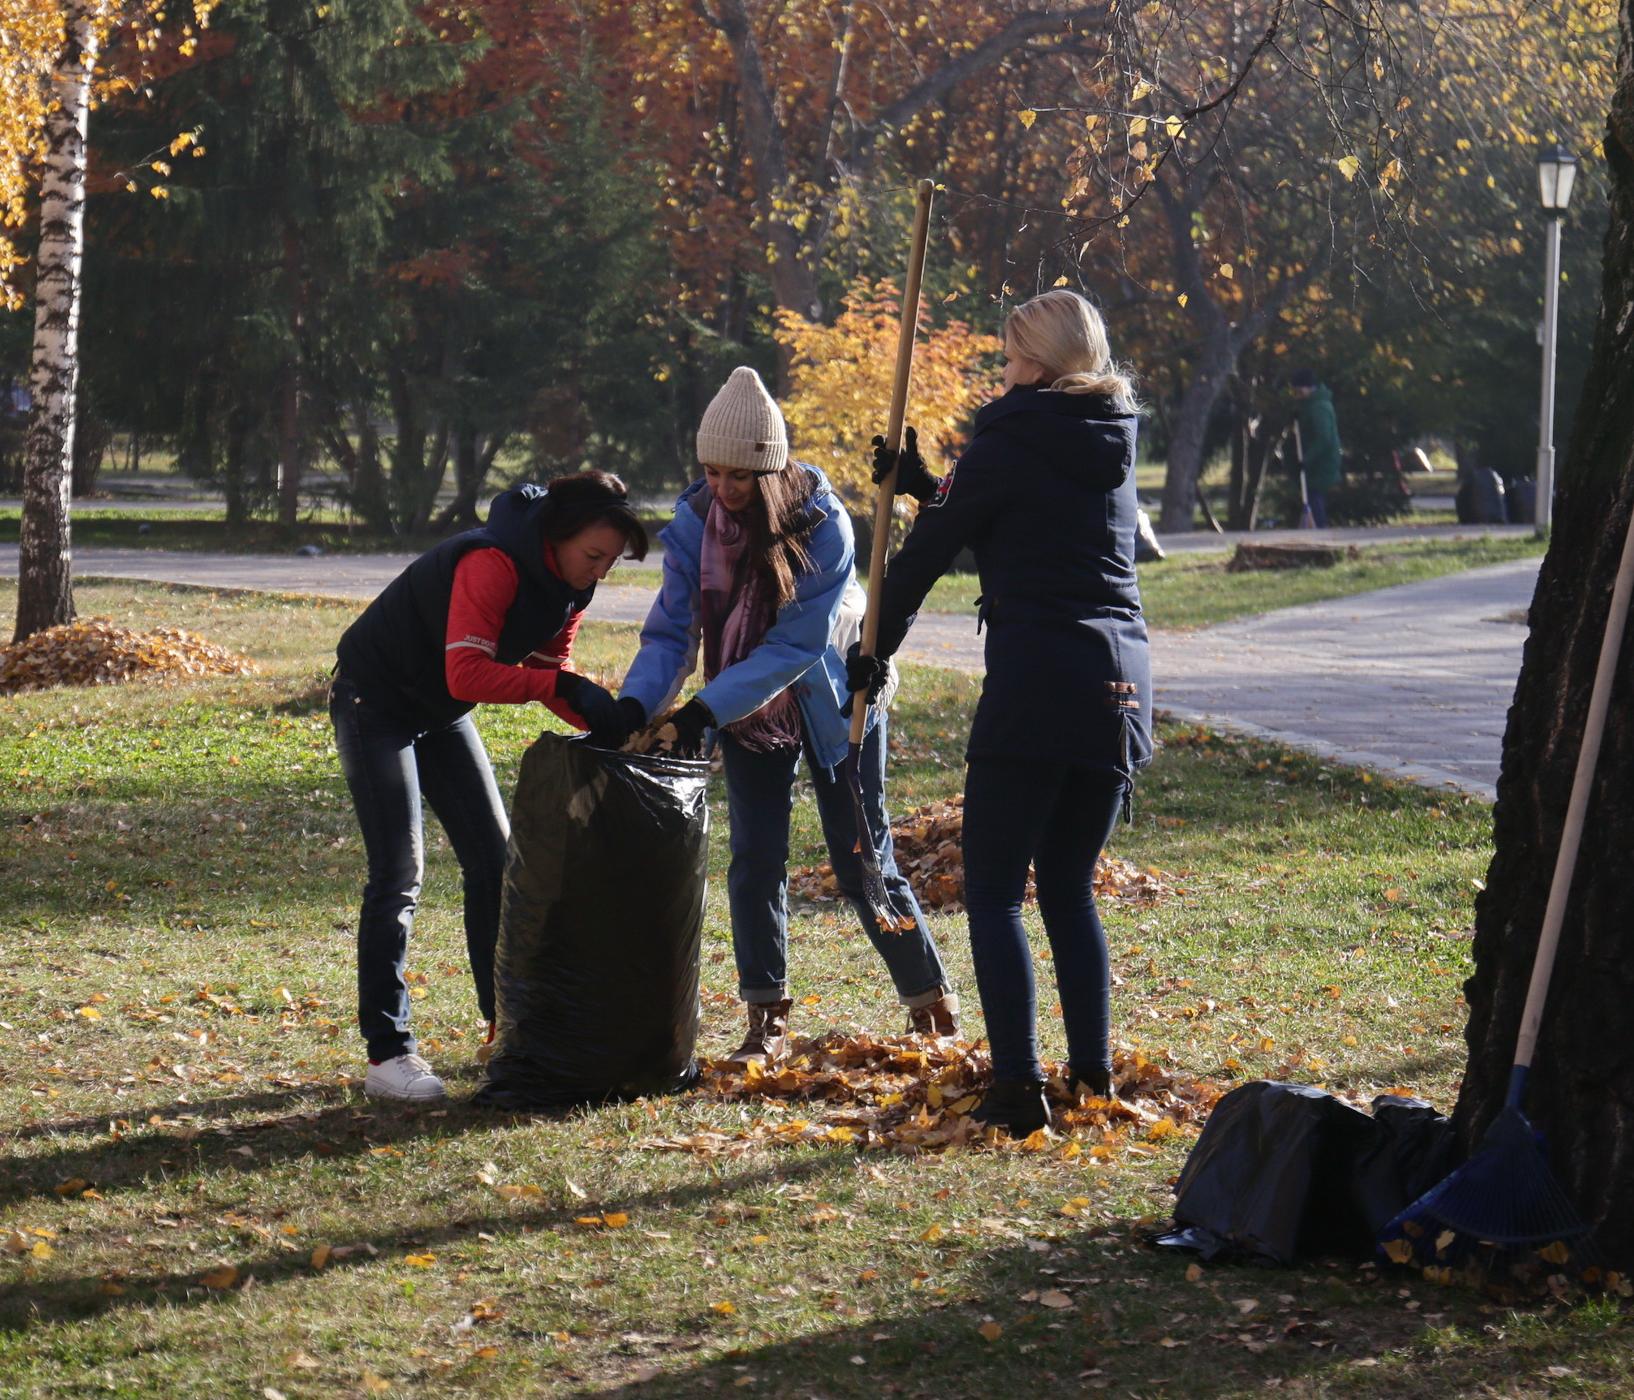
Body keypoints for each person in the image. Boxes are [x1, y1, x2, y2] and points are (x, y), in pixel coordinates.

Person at [850, 289, 1152, 1136]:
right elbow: (1023, 521)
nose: (1004, 368)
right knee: (1066, 886)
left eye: (1013, 355)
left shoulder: (1011, 433)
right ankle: (1091, 1076)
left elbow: (924, 561)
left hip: (1037, 678)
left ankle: (1019, 1089)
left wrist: (874, 648)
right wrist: (926, 486)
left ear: (1042, 364)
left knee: (993, 891)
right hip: (1118, 683)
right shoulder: (1112, 434)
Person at [616, 366, 959, 1065]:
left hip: (839, 695)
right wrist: (636, 705)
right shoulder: (692, 527)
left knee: (861, 855)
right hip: (747, 710)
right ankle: (765, 1015)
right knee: (756, 860)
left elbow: (798, 646)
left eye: (738, 476)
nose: (723, 489)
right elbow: (671, 634)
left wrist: (703, 710)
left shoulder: (822, 523)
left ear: (769, 471)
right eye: (711, 472)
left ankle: (929, 1000)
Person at [331, 472, 648, 1101]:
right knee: (399, 872)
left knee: (494, 859)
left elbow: (545, 667)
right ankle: (388, 1054)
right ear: (556, 537)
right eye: (593, 555)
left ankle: (505, 1026)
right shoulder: (491, 563)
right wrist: (563, 690)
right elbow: (469, 670)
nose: (600, 572)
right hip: (376, 702)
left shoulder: (570, 586)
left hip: (440, 710)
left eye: (612, 562)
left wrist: (601, 719)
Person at [1290, 368, 1342, 528]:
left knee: (1314, 495)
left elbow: (1324, 438)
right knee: (1312, 495)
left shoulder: (1319, 407)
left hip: (1321, 463)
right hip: (1314, 462)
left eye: (1299, 391)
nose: (1297, 395)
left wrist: (1307, 459)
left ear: (1308, 388)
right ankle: (1317, 526)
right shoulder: (1308, 406)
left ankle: (1319, 528)